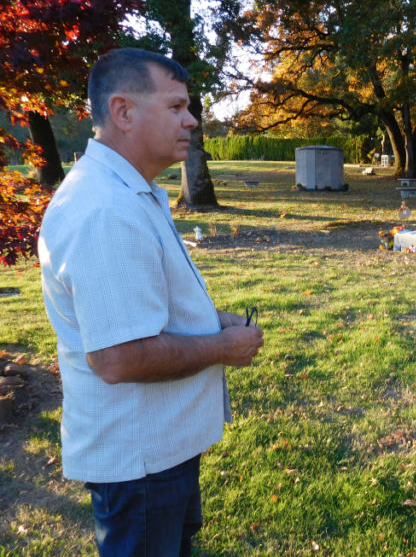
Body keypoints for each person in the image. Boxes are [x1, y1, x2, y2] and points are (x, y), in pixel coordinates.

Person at [38, 48, 264, 556]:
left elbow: (140, 309)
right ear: (123, 112)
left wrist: (208, 321)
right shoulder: (105, 211)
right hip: (141, 461)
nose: (192, 119)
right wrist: (223, 346)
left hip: (158, 452)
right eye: (176, 107)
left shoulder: (125, 191)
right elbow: (119, 357)